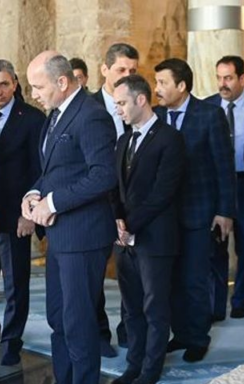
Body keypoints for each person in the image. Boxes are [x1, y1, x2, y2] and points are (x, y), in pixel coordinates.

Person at [21, 51, 117, 384]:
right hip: (61, 236)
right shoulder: (57, 113)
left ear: (62, 82)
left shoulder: (91, 115)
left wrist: (53, 203)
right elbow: (54, 171)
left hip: (84, 237)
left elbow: (103, 175)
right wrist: (33, 194)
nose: (33, 94)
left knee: (79, 323)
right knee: (58, 317)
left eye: (38, 86)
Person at [153, 58, 235, 363]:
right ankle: (181, 333)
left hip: (200, 213)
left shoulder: (209, 115)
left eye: (163, 83)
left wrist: (225, 211)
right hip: (164, 216)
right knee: (172, 279)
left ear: (182, 85)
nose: (157, 89)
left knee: (195, 279)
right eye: (156, 82)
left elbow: (224, 166)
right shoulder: (156, 115)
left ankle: (199, 337)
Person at [110, 75, 185, 384]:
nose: (118, 110)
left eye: (122, 103)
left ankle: (150, 370)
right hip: (124, 241)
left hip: (155, 238)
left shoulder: (170, 139)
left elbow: (162, 192)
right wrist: (117, 220)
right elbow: (115, 187)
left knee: (155, 308)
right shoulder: (123, 141)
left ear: (141, 100)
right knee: (131, 308)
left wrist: (130, 225)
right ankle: (133, 364)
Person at [0, 59, 45, 366]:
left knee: (15, 281)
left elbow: (39, 170)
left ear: (15, 84)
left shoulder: (33, 119)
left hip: (16, 215)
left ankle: (12, 339)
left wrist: (29, 214)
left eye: (4, 84)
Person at [205, 55, 244, 321]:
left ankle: (240, 300)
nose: (223, 84)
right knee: (216, 244)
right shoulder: (207, 107)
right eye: (219, 78)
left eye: (229, 78)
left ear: (242, 78)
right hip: (217, 185)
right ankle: (216, 305)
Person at [92, 42, 141, 353]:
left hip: (131, 201)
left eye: (132, 70)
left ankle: (129, 329)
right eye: (121, 69)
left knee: (131, 271)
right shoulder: (88, 106)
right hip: (97, 200)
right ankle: (99, 333)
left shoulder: (141, 105)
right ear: (105, 70)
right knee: (95, 272)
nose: (127, 75)